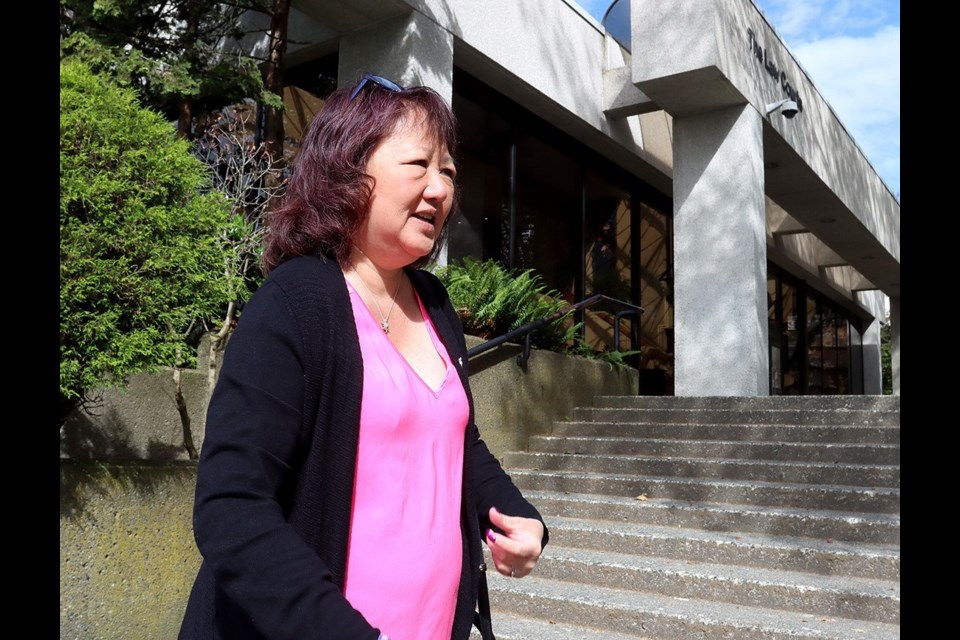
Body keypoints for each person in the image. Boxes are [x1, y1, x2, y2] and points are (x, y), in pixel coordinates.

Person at [179, 73, 548, 640]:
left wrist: (516, 515)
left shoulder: (433, 303)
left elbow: (455, 440)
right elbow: (233, 506)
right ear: (350, 170)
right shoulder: (297, 302)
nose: (440, 189)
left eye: (448, 171)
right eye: (418, 165)